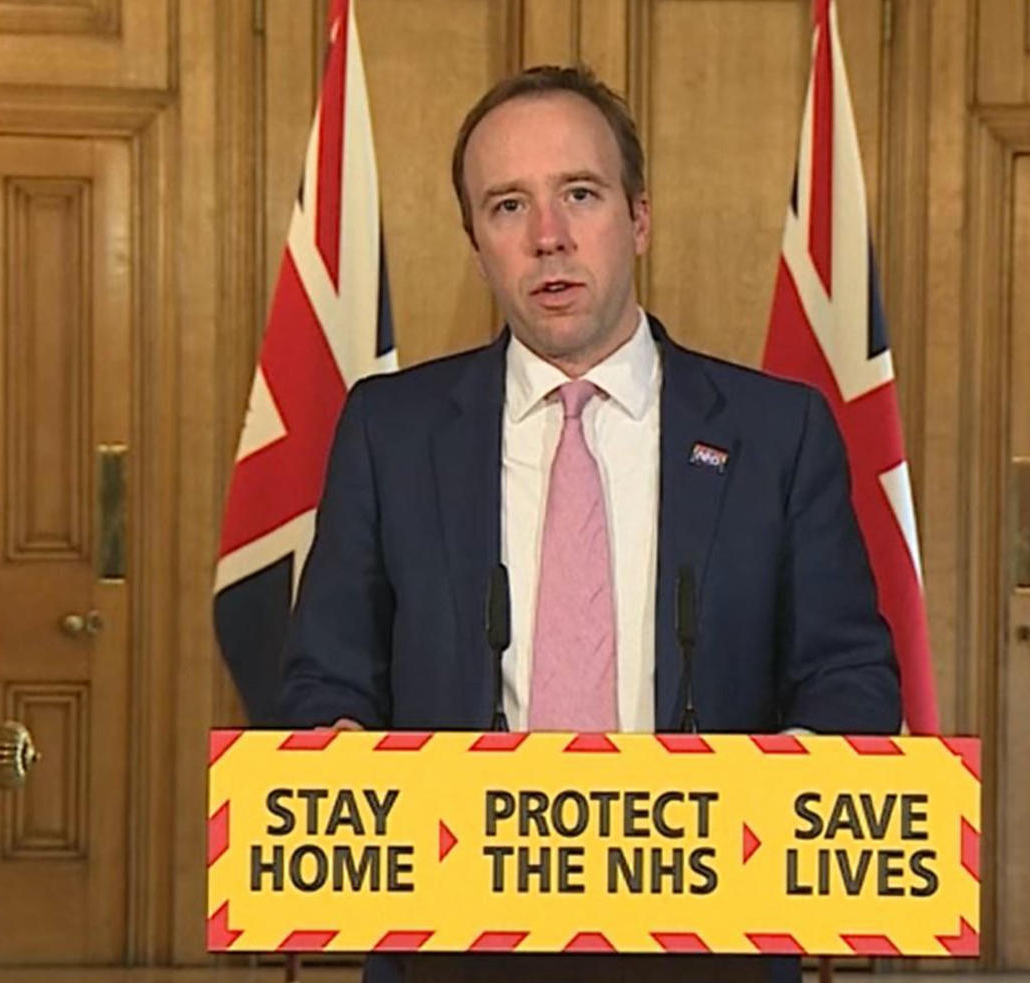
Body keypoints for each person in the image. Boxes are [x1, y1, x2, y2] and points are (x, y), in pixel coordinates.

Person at [281, 65, 900, 983]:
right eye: (506, 207)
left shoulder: (778, 432)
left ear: (639, 218)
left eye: (580, 193)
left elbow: (849, 676)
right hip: (456, 944)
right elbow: (327, 677)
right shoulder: (390, 431)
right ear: (476, 242)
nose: (549, 238)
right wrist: (335, 756)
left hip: (708, 938)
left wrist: (773, 805)